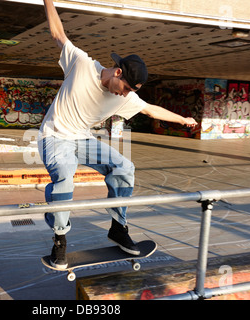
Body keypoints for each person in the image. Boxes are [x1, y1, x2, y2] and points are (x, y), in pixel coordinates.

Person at [39, 0, 197, 269]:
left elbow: (150, 111)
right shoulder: (80, 63)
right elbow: (58, 34)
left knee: (124, 166)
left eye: (128, 93)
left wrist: (182, 119)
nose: (124, 95)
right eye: (124, 88)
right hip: (54, 137)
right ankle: (60, 238)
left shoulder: (127, 97)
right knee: (65, 173)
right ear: (117, 71)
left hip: (82, 139)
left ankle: (118, 227)